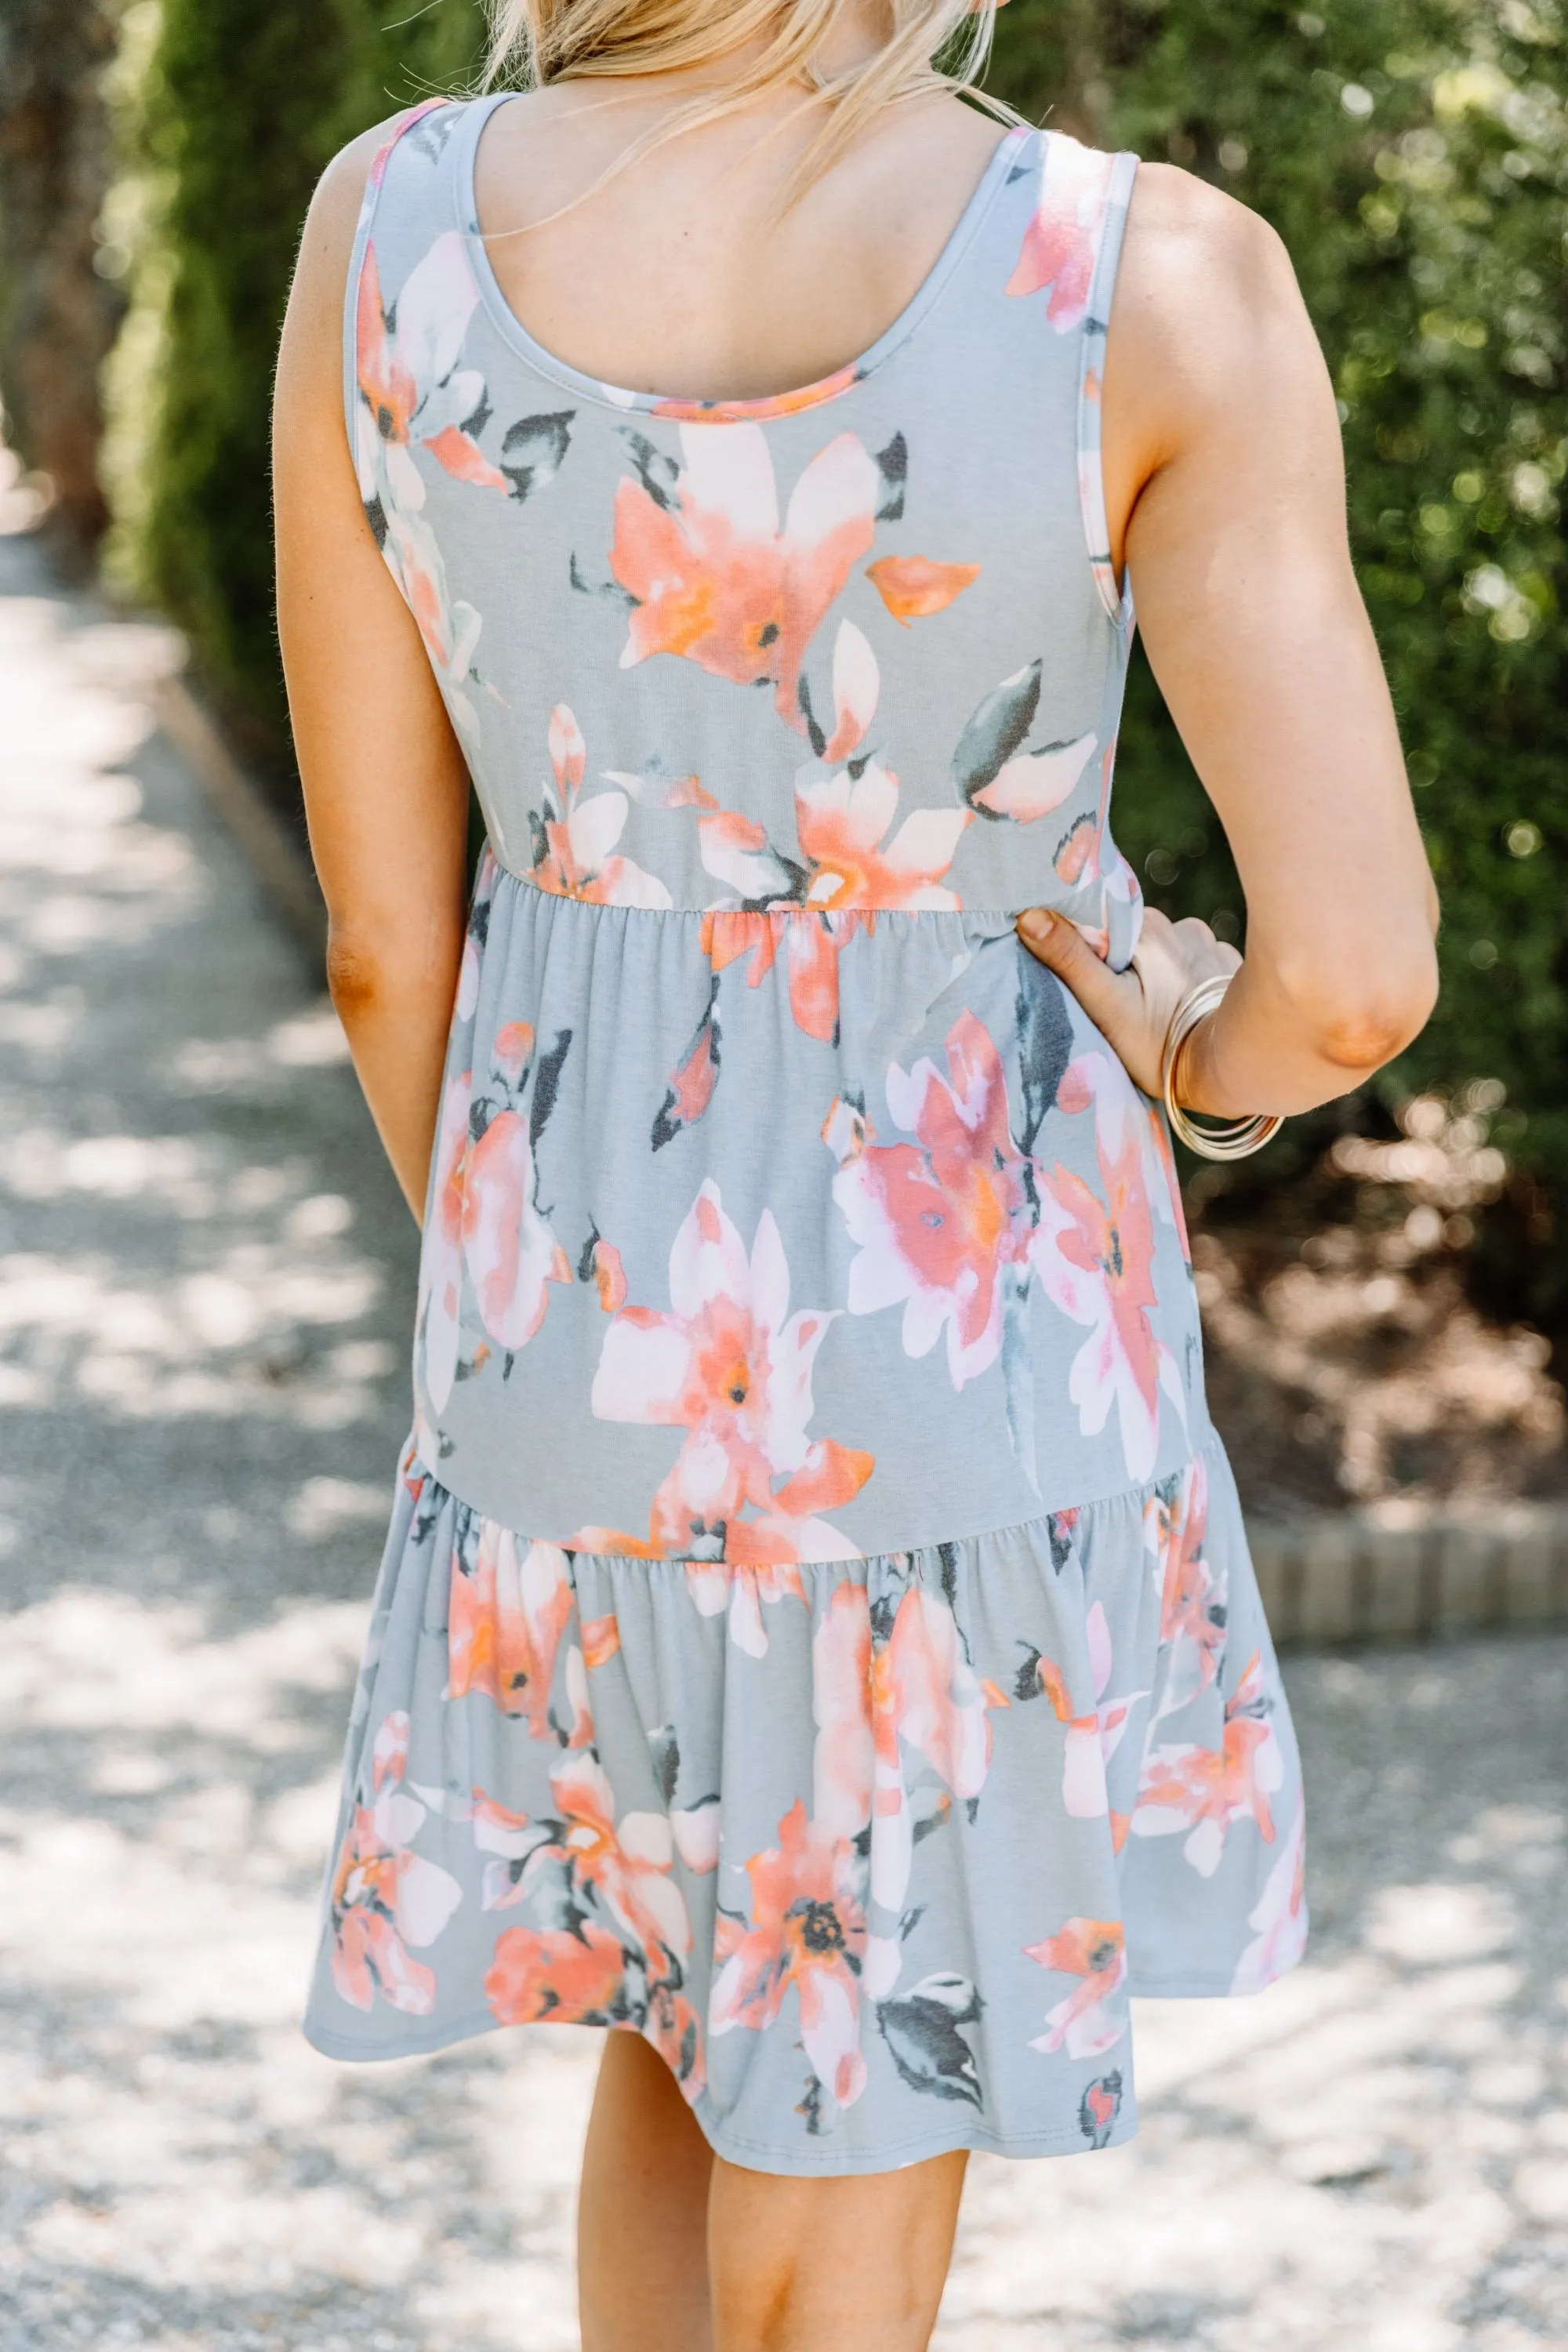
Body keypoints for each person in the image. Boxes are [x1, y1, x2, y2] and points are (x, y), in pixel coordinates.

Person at [272, 0, 1438, 2338]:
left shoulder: (384, 222)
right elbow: (1356, 979)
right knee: (853, 2107)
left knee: (675, 2022)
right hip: (953, 1370)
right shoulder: (1152, 280)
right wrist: (1202, 1060)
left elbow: (391, 946)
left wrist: (539, 1323)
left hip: (563, 1361)